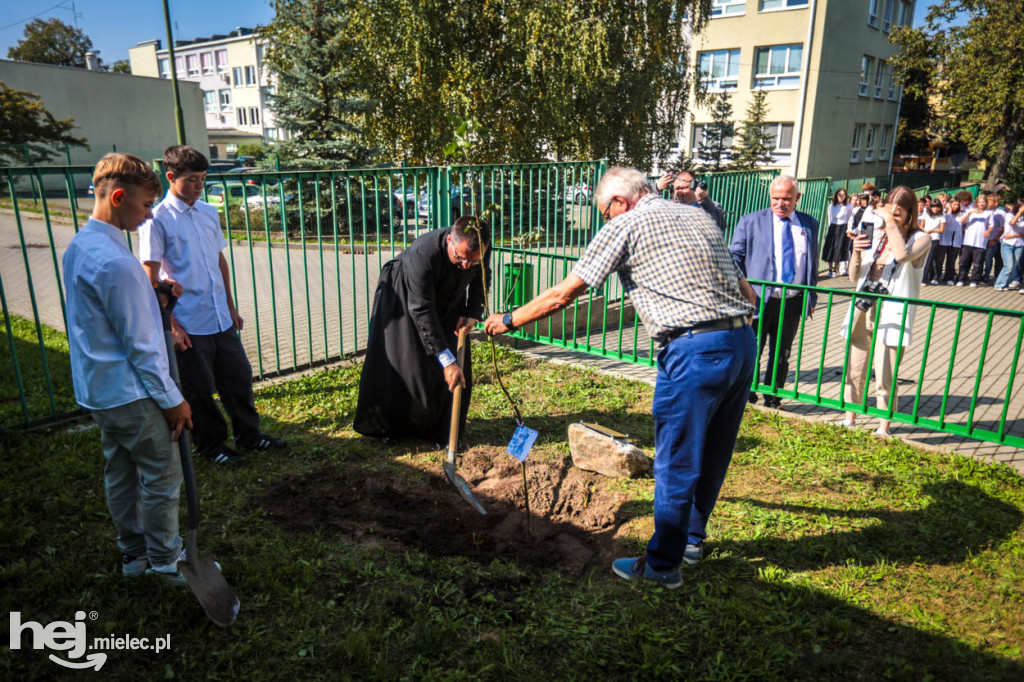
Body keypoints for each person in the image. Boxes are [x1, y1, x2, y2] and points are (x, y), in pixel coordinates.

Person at [484, 167, 757, 588]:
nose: (604, 220)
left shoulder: (626, 225)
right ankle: (691, 541)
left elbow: (564, 293)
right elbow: (748, 292)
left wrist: (509, 319)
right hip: (741, 343)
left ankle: (664, 566)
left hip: (693, 350)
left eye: (603, 212)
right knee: (714, 450)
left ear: (620, 202)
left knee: (676, 460)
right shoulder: (698, 215)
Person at [63, 153, 193, 584]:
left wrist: (152, 296)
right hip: (132, 392)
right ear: (118, 197)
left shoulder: (81, 246)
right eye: (144, 204)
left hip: (99, 391)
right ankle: (163, 561)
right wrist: (174, 401)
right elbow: (142, 348)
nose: (150, 213)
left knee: (120, 471)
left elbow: (105, 316)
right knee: (161, 472)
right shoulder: (118, 264)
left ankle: (133, 556)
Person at [138, 145, 286, 465]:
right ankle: (212, 445)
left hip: (219, 316)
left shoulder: (207, 212)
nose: (199, 185)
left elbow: (219, 261)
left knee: (239, 379)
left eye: (203, 179)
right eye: (192, 179)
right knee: (200, 390)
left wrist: (230, 307)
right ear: (171, 177)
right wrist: (173, 327)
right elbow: (149, 276)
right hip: (188, 322)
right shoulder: (157, 220)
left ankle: (249, 435)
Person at [354, 216, 491, 444]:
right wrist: (446, 361)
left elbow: (482, 279)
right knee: (407, 360)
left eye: (473, 261)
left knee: (453, 354)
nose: (466, 266)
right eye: (460, 258)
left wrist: (472, 314)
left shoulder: (480, 243)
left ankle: (441, 429)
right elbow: (422, 310)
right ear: (449, 240)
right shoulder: (422, 254)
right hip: (404, 295)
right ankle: (395, 427)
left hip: (447, 294)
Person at [840, 186, 930, 438]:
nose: (891, 218)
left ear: (910, 214)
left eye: (898, 214)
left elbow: (901, 255)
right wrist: (856, 251)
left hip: (893, 312)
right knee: (855, 367)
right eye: (890, 212)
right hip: (864, 307)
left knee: (885, 371)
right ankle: (850, 419)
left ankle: (883, 426)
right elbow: (854, 277)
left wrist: (890, 223)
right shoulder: (877, 236)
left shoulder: (920, 238)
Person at [729, 175, 820, 409]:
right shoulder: (751, 221)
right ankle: (746, 394)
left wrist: (811, 295)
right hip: (757, 299)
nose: (781, 203)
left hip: (792, 301)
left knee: (782, 353)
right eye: (776, 198)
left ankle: (773, 398)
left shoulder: (809, 224)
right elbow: (734, 257)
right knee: (752, 349)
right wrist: (745, 289)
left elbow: (811, 261)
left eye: (787, 199)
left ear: (797, 197)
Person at [655, 169, 727, 232]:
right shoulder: (669, 206)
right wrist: (657, 188)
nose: (680, 192)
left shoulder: (711, 205)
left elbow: (721, 226)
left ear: (694, 187)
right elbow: (648, 206)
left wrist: (705, 201)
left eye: (684, 188)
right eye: (677, 189)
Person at [956, 194, 994, 287]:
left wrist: (988, 231)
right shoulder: (971, 211)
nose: (981, 204)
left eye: (983, 202)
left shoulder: (989, 213)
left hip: (980, 242)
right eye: (979, 202)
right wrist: (969, 213)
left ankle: (974, 280)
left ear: (986, 203)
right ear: (976, 202)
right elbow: (961, 221)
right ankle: (961, 278)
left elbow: (991, 225)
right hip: (968, 241)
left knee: (977, 263)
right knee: (964, 261)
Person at [822, 188, 853, 278]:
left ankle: (835, 269)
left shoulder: (848, 206)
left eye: (843, 195)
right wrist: (830, 227)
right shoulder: (831, 205)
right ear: (836, 195)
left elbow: (849, 218)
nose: (841, 197)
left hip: (843, 227)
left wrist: (848, 229)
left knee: (839, 247)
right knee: (830, 247)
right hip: (833, 226)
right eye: (840, 195)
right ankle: (830, 269)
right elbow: (829, 217)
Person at [996, 201, 1024, 291]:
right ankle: (999, 284)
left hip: (1020, 244)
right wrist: (1019, 212)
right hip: (1008, 243)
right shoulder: (1009, 215)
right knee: (1009, 265)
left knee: (1015, 266)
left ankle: (1005, 284)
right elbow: (1012, 223)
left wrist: (1015, 235)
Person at [937, 196, 964, 285]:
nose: (956, 206)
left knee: (951, 260)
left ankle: (949, 277)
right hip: (944, 239)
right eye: (954, 204)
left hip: (955, 240)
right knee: (939, 260)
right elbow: (947, 221)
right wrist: (949, 209)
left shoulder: (961, 214)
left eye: (957, 205)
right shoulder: (944, 213)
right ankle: (937, 277)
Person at [919, 198, 946, 285]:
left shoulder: (942, 216)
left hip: (935, 239)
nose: (935, 209)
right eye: (933, 207)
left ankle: (924, 279)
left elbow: (942, 230)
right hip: (925, 238)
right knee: (923, 258)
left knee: (930, 259)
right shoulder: (926, 214)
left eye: (937, 207)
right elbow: (921, 226)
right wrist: (926, 231)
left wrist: (932, 230)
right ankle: (921, 277)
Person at [983, 193, 1006, 282]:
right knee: (984, 258)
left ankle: (987, 275)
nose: (987, 203)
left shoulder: (1001, 213)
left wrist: (995, 239)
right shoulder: (986, 211)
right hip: (985, 239)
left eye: (989, 201)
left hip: (994, 239)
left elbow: (1003, 228)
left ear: (996, 203)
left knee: (989, 258)